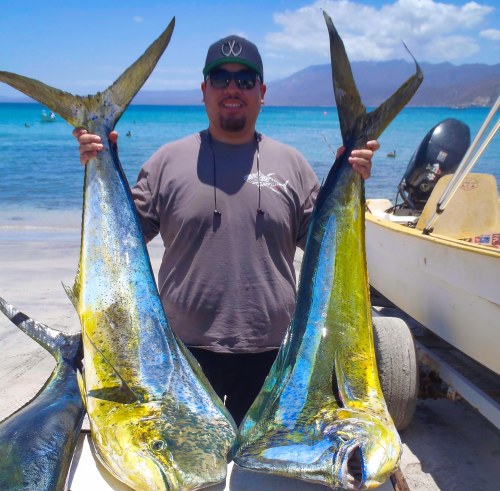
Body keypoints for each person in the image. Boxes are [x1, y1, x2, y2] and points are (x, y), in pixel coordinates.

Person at [73, 35, 379, 425]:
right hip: (180, 357)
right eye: (221, 79)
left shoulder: (294, 165)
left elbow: (327, 255)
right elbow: (121, 245)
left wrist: (348, 183)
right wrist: (102, 163)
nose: (232, 88)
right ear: (204, 90)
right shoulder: (166, 161)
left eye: (245, 80)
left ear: (261, 93)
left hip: (278, 357)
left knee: (262, 463)